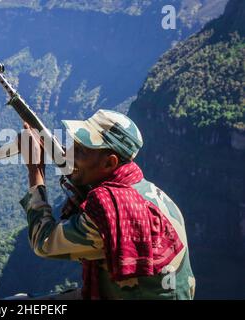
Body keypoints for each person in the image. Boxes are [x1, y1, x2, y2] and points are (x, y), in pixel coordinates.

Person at [19, 109, 196, 300]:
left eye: (80, 151)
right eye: (72, 145)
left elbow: (43, 243)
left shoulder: (111, 210)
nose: (69, 153)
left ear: (109, 163)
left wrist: (35, 171)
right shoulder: (153, 194)